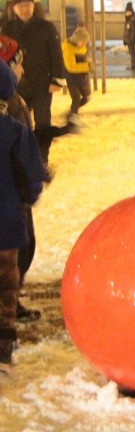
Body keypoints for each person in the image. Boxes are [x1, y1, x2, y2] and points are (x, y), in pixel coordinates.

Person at [0, 59, 46, 375]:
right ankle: (3, 350)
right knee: (5, 287)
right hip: (6, 227)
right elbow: (32, 178)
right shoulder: (16, 132)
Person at [1, 0, 65, 167]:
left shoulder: (46, 27)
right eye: (20, 6)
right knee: (19, 123)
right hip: (17, 86)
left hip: (43, 84)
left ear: (34, 7)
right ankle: (24, 157)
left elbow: (56, 54)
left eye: (28, 5)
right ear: (14, 9)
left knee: (43, 123)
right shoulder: (7, 29)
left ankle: (42, 157)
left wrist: (56, 79)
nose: (25, 9)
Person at [61, 24, 91, 121]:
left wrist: (88, 62)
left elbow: (83, 58)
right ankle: (72, 116)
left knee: (86, 97)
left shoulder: (81, 47)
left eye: (85, 42)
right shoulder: (68, 49)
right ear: (76, 40)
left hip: (82, 78)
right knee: (76, 98)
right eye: (82, 42)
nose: (84, 44)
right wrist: (87, 66)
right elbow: (71, 67)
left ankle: (72, 112)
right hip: (72, 78)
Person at [123, 2, 135, 71]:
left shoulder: (132, 20)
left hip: (131, 39)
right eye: (126, 12)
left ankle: (134, 65)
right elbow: (125, 32)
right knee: (131, 52)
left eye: (129, 12)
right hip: (129, 39)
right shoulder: (127, 20)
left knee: (132, 52)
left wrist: (131, 39)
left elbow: (133, 31)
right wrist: (125, 40)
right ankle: (133, 64)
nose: (127, 13)